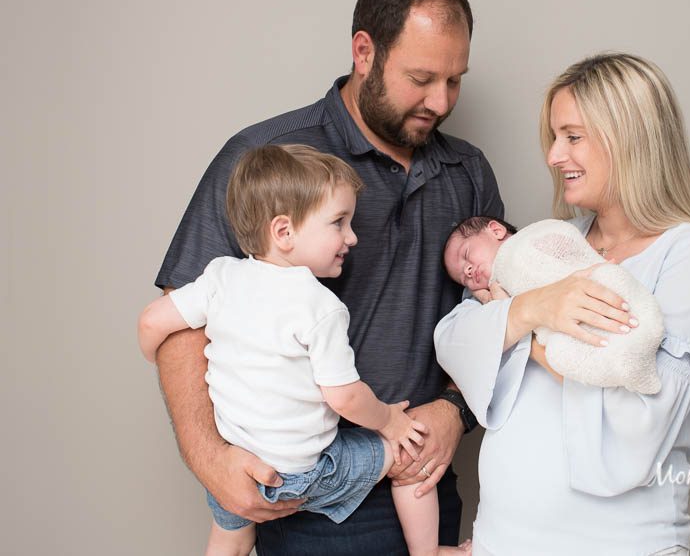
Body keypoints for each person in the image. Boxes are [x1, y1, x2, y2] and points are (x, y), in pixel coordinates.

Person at [153, 0, 503, 555]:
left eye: (455, 81)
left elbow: (496, 316)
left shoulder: (468, 172)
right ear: (364, 52)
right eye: (421, 78)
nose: (441, 101)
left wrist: (452, 411)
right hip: (303, 499)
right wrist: (212, 461)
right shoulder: (265, 157)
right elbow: (180, 323)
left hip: (422, 481)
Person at [435, 53, 690, 555]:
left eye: (572, 137)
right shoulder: (554, 241)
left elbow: (641, 423)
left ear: (629, 137)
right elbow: (452, 340)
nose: (554, 156)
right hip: (503, 541)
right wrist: (534, 310)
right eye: (555, 137)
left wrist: (524, 331)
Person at [140, 145, 472, 556]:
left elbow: (152, 323)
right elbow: (344, 397)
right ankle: (429, 552)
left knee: (230, 539)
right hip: (301, 474)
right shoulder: (319, 306)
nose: (352, 237)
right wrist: (390, 421)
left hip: (237, 462)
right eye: (339, 223)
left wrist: (151, 355)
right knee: (410, 454)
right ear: (284, 232)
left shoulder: (220, 276)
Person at [442, 216, 664, 393]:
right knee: (560, 354)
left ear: (496, 230)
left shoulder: (534, 235)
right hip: (571, 334)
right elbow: (457, 343)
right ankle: (626, 364)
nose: (468, 270)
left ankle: (639, 336)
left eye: (467, 254)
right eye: (463, 278)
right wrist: (500, 307)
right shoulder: (494, 298)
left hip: (598, 294)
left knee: (608, 280)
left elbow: (566, 247)